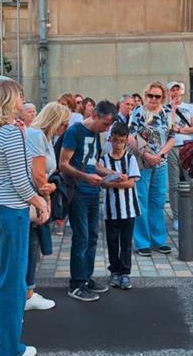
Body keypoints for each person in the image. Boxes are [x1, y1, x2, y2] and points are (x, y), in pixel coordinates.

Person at [0, 76, 49, 356]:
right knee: (13, 281)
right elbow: (21, 180)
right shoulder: (11, 133)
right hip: (8, 212)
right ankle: (6, 349)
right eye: (18, 95)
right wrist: (39, 200)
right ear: (7, 99)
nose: (22, 100)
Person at [60, 99, 118, 302]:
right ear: (94, 115)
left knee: (93, 237)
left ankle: (86, 277)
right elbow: (63, 164)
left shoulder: (95, 134)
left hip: (93, 191)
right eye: (106, 124)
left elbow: (92, 163)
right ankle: (76, 284)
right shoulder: (74, 131)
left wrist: (110, 172)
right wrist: (86, 177)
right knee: (81, 237)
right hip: (78, 191)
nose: (107, 129)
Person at [25, 102, 70, 311]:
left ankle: (28, 291)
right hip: (34, 198)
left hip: (37, 195)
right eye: (63, 123)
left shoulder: (43, 136)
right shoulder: (37, 136)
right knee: (30, 246)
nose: (65, 128)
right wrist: (47, 197)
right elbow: (38, 174)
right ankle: (27, 294)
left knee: (32, 246)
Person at [128, 82, 176, 258]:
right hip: (142, 163)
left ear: (162, 97)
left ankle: (159, 240)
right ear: (145, 95)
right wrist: (147, 154)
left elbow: (172, 137)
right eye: (151, 96)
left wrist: (161, 155)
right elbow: (130, 136)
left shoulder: (166, 112)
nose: (154, 99)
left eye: (157, 96)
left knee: (158, 202)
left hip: (160, 163)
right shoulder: (139, 112)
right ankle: (142, 242)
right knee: (141, 202)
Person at [101, 122, 141, 290]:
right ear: (110, 140)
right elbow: (102, 183)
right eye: (115, 141)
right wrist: (119, 180)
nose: (117, 144)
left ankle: (125, 272)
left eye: (121, 141)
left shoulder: (130, 158)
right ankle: (114, 271)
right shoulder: (103, 159)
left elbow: (131, 183)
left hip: (129, 209)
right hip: (111, 209)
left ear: (126, 141)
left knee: (125, 243)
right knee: (111, 242)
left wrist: (114, 182)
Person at [166, 81, 193, 231]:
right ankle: (177, 217)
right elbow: (168, 129)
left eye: (177, 90)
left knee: (192, 183)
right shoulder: (164, 109)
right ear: (168, 93)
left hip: (187, 147)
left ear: (182, 92)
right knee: (174, 185)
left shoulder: (190, 108)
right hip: (171, 148)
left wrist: (180, 130)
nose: (175, 93)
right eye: (172, 90)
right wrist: (172, 110)